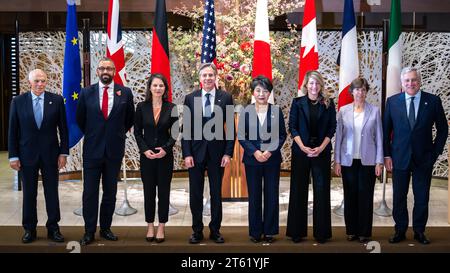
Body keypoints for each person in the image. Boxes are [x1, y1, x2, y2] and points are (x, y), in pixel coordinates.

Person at [384, 67, 448, 245]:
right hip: (399, 157)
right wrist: (387, 155)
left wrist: (435, 152)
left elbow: (443, 129)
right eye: (407, 81)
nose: (410, 83)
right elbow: (385, 131)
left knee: (421, 197)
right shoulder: (392, 102)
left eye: (413, 80)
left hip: (424, 158)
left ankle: (420, 231)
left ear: (419, 81)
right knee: (399, 196)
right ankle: (400, 230)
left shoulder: (433, 101)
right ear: (402, 84)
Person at [76, 57, 135, 245]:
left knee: (110, 192)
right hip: (92, 151)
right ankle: (89, 231)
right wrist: (95, 134)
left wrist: (114, 134)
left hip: (114, 151)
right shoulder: (86, 93)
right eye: (102, 68)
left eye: (109, 68)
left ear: (114, 71)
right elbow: (80, 120)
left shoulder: (125, 93)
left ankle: (106, 228)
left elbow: (129, 120)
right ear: (97, 71)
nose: (105, 71)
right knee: (90, 192)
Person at [8, 69, 68, 243]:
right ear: (30, 82)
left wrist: (63, 152)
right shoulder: (18, 102)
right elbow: (13, 131)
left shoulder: (56, 100)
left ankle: (53, 228)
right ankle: (29, 229)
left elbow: (63, 130)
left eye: (43, 81)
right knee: (29, 193)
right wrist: (13, 156)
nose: (40, 84)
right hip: (26, 156)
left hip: (51, 155)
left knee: (51, 193)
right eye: (37, 81)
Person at [181, 62, 234, 244]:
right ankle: (197, 231)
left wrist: (228, 153)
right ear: (199, 78)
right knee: (195, 193)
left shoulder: (225, 97)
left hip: (217, 155)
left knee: (216, 193)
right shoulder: (190, 98)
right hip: (195, 154)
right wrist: (186, 153)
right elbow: (186, 129)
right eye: (204, 75)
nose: (208, 78)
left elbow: (231, 130)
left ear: (216, 77)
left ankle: (215, 230)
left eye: (211, 75)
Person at [286, 70, 336, 244]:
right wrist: (303, 146)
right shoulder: (297, 103)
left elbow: (332, 128)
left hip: (321, 153)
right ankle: (296, 232)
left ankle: (321, 233)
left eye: (317, 83)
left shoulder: (329, 104)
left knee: (321, 191)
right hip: (301, 152)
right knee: (298, 190)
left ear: (321, 85)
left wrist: (321, 148)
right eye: (311, 83)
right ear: (306, 85)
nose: (314, 86)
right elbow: (292, 127)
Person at [334, 77, 383, 243]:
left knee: (365, 196)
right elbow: (339, 137)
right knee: (350, 196)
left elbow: (379, 139)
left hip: (368, 161)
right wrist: (337, 161)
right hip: (348, 161)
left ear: (366, 92)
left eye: (363, 90)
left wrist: (379, 161)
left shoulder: (374, 111)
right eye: (357, 89)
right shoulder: (343, 111)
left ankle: (364, 232)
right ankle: (351, 231)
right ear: (351, 92)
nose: (360, 93)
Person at [238, 75, 286, 243]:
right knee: (255, 196)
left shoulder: (276, 110)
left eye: (265, 91)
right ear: (253, 93)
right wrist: (256, 152)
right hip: (252, 160)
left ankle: (270, 231)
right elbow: (241, 136)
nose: (261, 94)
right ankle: (255, 231)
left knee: (272, 195)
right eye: (258, 90)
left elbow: (281, 135)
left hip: (272, 160)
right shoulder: (246, 111)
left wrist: (269, 151)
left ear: (269, 94)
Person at [134, 74, 179, 243]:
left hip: (164, 157)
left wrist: (166, 149)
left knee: (164, 193)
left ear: (165, 89)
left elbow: (175, 133)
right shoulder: (141, 107)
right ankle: (150, 226)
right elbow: (137, 132)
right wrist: (144, 150)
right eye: (155, 85)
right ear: (150, 88)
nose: (158, 88)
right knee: (149, 193)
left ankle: (161, 226)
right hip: (147, 157)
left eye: (161, 86)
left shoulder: (171, 107)